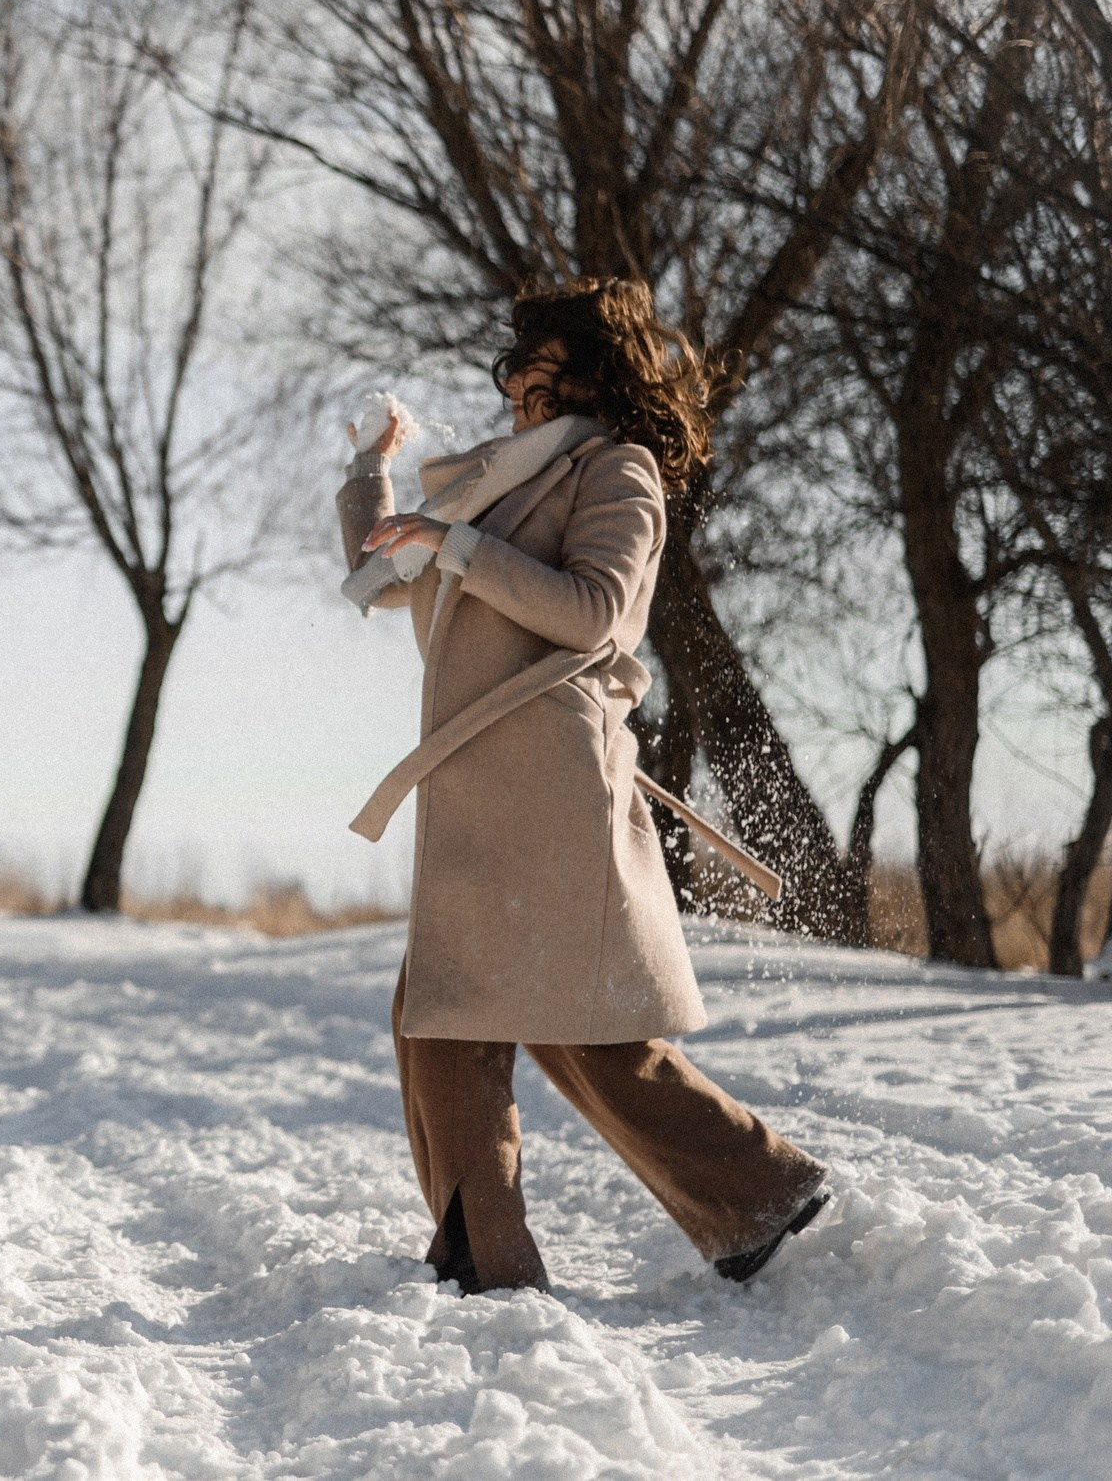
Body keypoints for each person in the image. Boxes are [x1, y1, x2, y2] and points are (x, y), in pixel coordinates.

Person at [338, 275, 827, 1295]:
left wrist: (457, 546)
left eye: (538, 363)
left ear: (588, 372)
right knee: (460, 1014)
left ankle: (747, 1200)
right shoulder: (495, 481)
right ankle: (731, 1205)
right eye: (513, 364)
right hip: (480, 782)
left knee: (542, 1020)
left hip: (551, 779)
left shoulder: (618, 471)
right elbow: (384, 578)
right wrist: (367, 476)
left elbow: (599, 613)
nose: (515, 379)